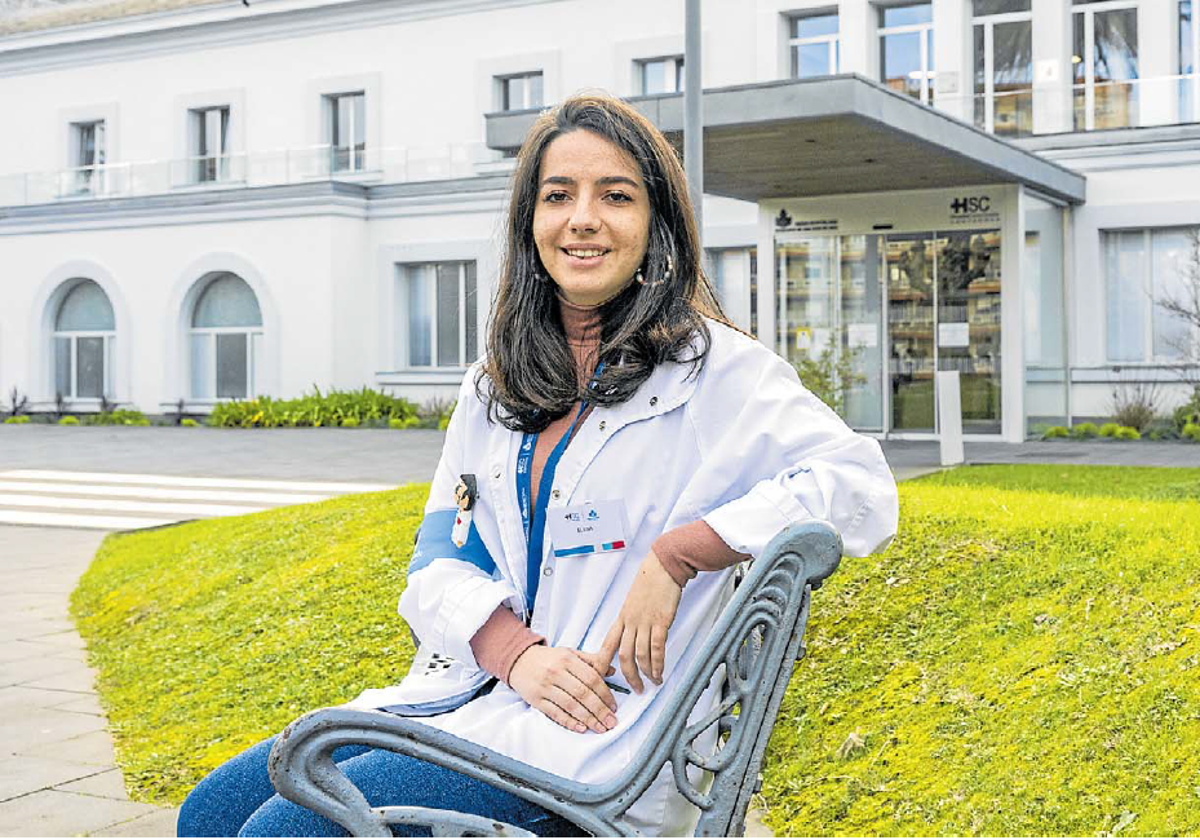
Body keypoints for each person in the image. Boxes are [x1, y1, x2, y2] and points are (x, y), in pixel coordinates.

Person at [177, 92, 898, 837]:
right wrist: (516, 655)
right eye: (559, 195)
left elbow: (858, 486)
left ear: (657, 225)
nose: (582, 218)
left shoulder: (720, 374)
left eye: (615, 196)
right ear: (531, 222)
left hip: (600, 748)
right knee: (211, 813)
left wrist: (681, 552)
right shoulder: (496, 382)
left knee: (282, 832)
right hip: (491, 697)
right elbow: (438, 559)